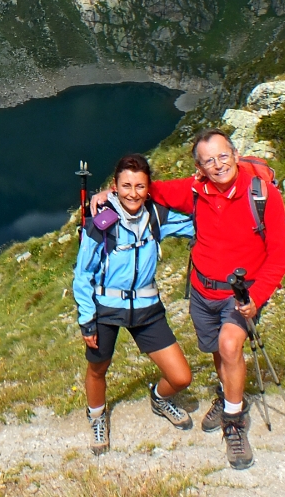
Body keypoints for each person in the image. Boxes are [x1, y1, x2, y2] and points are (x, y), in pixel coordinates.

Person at [95, 128, 285, 470]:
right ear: (199, 168)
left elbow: (279, 256)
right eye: (209, 161)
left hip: (241, 292)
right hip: (202, 291)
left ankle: (234, 421)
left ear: (235, 153)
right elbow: (144, 188)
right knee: (217, 348)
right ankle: (226, 392)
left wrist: (257, 298)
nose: (219, 165)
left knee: (230, 345)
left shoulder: (262, 196)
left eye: (223, 156)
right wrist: (108, 193)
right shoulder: (195, 190)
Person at [72, 153, 196, 455]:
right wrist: (87, 320)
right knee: (97, 369)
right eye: (126, 186)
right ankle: (97, 417)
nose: (133, 193)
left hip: (147, 308)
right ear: (115, 186)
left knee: (181, 377)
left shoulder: (156, 216)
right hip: (106, 309)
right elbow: (83, 274)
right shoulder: (101, 223)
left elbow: (198, 225)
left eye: (140, 186)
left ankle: (159, 397)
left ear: (148, 187)